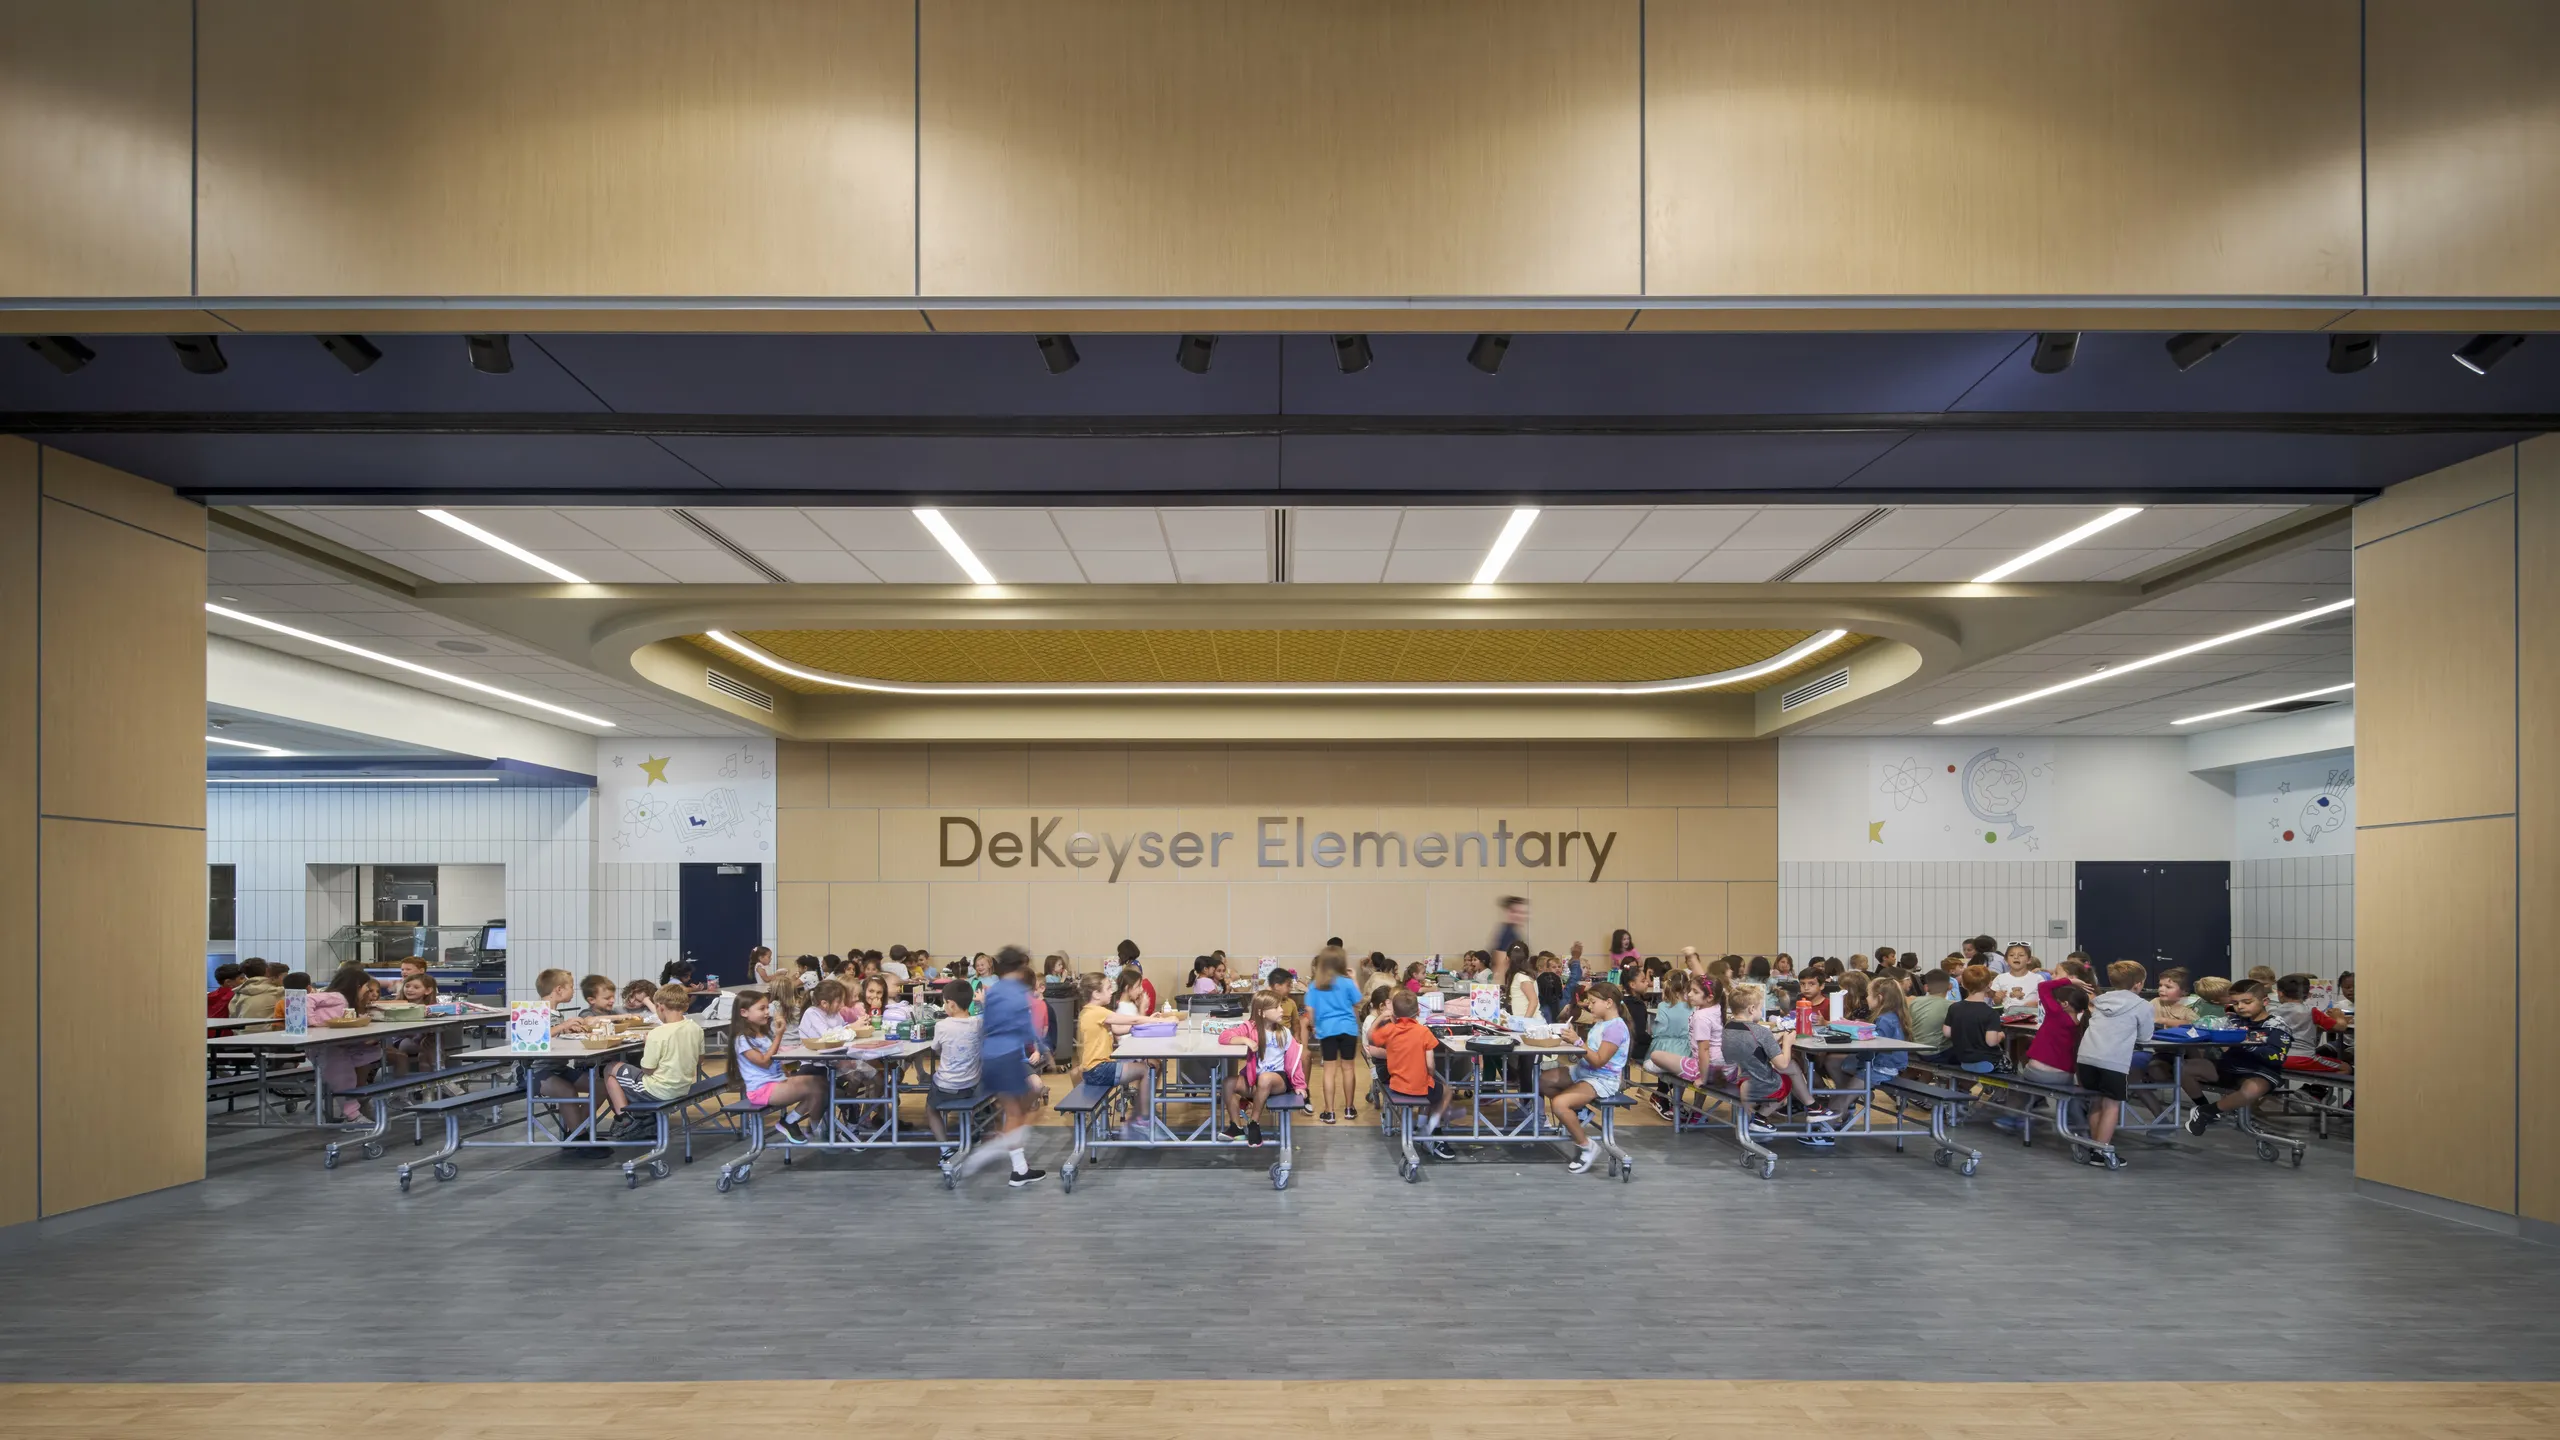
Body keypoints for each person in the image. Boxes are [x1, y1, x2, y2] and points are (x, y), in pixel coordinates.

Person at [950, 948, 1047, 1187]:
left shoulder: (993, 991)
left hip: (990, 1055)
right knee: (1019, 1112)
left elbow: (987, 1023)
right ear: (1021, 966)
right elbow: (1026, 1028)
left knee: (1017, 1110)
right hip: (1007, 1056)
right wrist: (1045, 1048)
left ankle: (1019, 1169)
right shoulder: (1017, 993)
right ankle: (989, 1152)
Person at [2182, 979, 2293, 1136]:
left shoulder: (2276, 1025)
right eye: (2235, 1003)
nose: (2240, 1007)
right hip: (2229, 1067)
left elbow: (2277, 1057)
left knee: (2252, 1089)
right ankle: (2204, 1109)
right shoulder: (2232, 1020)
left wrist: (2246, 1043)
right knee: (2183, 1068)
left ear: (2265, 1001)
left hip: (2260, 1072)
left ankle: (2209, 1111)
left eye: (2247, 1002)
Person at [1542, 980, 1631, 1173]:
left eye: (1592, 1002)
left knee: (1559, 1104)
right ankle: (1580, 1112)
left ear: (1608, 1002)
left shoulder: (1616, 1028)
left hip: (1601, 1079)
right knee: (1542, 1081)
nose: (1588, 1006)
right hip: (1583, 1071)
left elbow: (1599, 1061)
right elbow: (1588, 1052)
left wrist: (1578, 1041)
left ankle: (1586, 1146)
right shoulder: (1601, 1023)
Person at [1722, 982, 1830, 1141]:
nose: (1760, 1011)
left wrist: (1774, 1039)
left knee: (1789, 1069)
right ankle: (1766, 1116)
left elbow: (1750, 1044)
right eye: (1760, 1008)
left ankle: (1812, 1107)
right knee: (1790, 1068)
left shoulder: (1729, 1026)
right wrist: (1787, 1043)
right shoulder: (1759, 1031)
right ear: (1752, 1009)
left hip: (1741, 1077)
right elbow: (1782, 1064)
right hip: (1760, 1083)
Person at [2075, 960, 2156, 1163]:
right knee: (2112, 1105)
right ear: (2138, 984)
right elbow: (2145, 1037)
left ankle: (2095, 1145)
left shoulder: (2100, 1000)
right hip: (2112, 1060)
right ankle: (2102, 1151)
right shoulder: (2142, 1005)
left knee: (2095, 1102)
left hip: (2085, 1057)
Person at [1366, 989, 1455, 1158]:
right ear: (1419, 1012)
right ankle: (1430, 1128)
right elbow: (1430, 1064)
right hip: (1419, 1086)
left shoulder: (1389, 1030)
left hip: (1396, 1085)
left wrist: (1382, 1017)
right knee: (1444, 1090)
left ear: (1394, 1013)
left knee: (1431, 1086)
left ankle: (1421, 1127)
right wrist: (1430, 1073)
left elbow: (1370, 1037)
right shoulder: (1424, 1032)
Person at [728, 989, 824, 1144]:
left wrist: (787, 1072)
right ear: (744, 1012)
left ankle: (797, 1122)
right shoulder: (742, 1040)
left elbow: (776, 1059)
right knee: (815, 1087)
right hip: (762, 1090)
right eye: (762, 1009)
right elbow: (764, 1062)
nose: (767, 1012)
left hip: (776, 1082)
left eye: (767, 1008)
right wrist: (779, 1035)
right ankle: (811, 1129)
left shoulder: (762, 1034)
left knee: (822, 1083)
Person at [601, 984, 704, 1129]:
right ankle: (636, 1117)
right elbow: (699, 1060)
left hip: (657, 1091)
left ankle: (624, 1118)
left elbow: (647, 1069)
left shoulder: (657, 1033)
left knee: (610, 1068)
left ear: (660, 1007)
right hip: (683, 1087)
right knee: (627, 1072)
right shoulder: (696, 1028)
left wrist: (647, 1045)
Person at [1220, 990, 1306, 1148]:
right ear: (1261, 1012)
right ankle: (1236, 1127)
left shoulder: (1284, 1032)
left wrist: (1300, 1085)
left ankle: (1254, 1123)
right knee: (1228, 1083)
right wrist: (1245, 1039)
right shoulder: (1249, 1028)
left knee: (1265, 1078)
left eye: (1281, 1006)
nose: (1282, 1010)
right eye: (1277, 1007)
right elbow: (1224, 1036)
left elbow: (1295, 1060)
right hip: (1255, 1081)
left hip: (1277, 1081)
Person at [1301, 950, 1364, 1125]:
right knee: (1348, 1068)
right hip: (1348, 1029)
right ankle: (1349, 1109)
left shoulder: (1315, 985)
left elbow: (1310, 1010)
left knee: (1329, 1070)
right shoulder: (1346, 982)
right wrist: (1354, 979)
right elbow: (1358, 1001)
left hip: (1327, 1030)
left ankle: (1329, 1112)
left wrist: (1315, 1025)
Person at [922, 979, 982, 1144]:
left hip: (947, 1086)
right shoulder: (978, 1023)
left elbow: (935, 1048)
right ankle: (970, 1127)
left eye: (944, 1003)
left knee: (930, 1108)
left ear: (952, 1004)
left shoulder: (942, 1026)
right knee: (967, 1083)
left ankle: (944, 1148)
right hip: (972, 1084)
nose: (944, 1007)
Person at [2271, 975, 2349, 1075]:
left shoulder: (2272, 1012)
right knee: (2346, 1068)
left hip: (2276, 1057)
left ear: (2280, 993)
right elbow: (2341, 1027)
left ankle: (2311, 1089)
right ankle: (2315, 1088)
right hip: (2303, 1059)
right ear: (2308, 995)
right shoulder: (2312, 1011)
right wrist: (2339, 1017)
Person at [1942, 965, 2006, 1075]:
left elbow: (1947, 1033)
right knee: (2012, 1068)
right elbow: (1991, 1042)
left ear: (1963, 984)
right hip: (1987, 1061)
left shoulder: (1954, 1007)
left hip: (1962, 1059)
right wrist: (2001, 1035)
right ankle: (1999, 1092)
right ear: (1989, 985)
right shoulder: (1991, 1013)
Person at [1907, 968, 1953, 1057]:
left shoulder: (1915, 1001)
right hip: (1937, 1052)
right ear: (1950, 986)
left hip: (1916, 1048)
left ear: (1926, 988)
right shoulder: (1951, 1006)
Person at [230, 959, 284, 1027]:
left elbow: (233, 1017)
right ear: (267, 970)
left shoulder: (238, 993)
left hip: (241, 1034)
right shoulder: (279, 992)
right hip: (269, 1035)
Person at [1504, 944, 1540, 1023]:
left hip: (1531, 1023)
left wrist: (1524, 1022)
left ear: (1507, 958)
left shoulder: (1521, 977)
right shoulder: (1521, 975)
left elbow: (1533, 1001)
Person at [1490, 896, 1529, 962]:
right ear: (1508, 912)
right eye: (1515, 912)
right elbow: (1500, 967)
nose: (1520, 916)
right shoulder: (1506, 935)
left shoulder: (1514, 934)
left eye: (1522, 913)